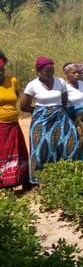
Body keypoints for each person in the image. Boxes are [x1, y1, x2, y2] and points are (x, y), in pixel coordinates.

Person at [20, 56, 79, 184]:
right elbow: (23, 106)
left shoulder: (60, 82)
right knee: (42, 148)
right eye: (47, 71)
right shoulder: (32, 85)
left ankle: (64, 175)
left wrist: (56, 110)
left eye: (52, 70)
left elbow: (64, 101)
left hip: (60, 118)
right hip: (42, 121)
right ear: (39, 71)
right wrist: (39, 112)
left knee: (69, 142)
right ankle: (41, 179)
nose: (50, 73)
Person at [0, 51, 29, 188]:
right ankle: (3, 183)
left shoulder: (12, 80)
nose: (0, 72)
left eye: (2, 69)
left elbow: (15, 98)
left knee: (18, 153)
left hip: (13, 124)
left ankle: (18, 180)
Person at [63, 62, 83, 162]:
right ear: (67, 74)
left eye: (78, 72)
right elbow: (63, 104)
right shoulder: (64, 87)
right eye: (74, 73)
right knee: (74, 141)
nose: (77, 75)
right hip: (72, 118)